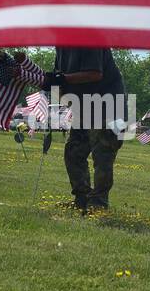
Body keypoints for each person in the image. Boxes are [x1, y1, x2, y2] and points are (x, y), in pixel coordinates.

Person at [33, 47, 126, 213]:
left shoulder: (90, 38)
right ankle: (82, 199)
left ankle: (98, 203)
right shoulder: (61, 48)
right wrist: (52, 85)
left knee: (102, 156)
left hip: (109, 108)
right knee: (73, 152)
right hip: (84, 109)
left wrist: (60, 79)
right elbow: (60, 84)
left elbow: (94, 73)